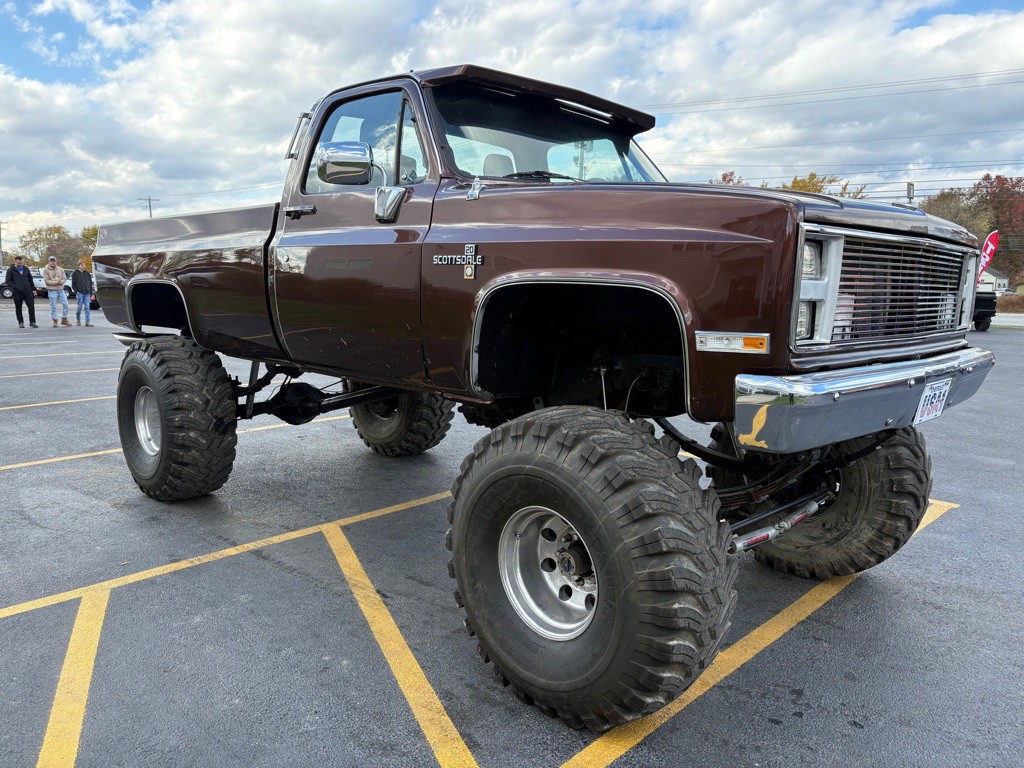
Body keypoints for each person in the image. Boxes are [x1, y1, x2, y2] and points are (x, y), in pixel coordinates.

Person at [4, 256, 39, 328]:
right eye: (19, 263)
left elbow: (30, 280)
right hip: (17, 292)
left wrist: (33, 289)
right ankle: (20, 322)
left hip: (28, 291)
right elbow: (8, 281)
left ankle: (32, 322)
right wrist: (15, 286)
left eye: (21, 263)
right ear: (15, 262)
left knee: (31, 306)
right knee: (18, 307)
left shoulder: (26, 269)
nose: (20, 264)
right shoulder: (11, 270)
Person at [43, 256, 71, 327]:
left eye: (54, 261)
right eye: (51, 261)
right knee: (53, 306)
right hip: (52, 290)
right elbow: (46, 281)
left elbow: (64, 278)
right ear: (49, 261)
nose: (52, 262)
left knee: (66, 304)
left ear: (56, 261)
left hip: (61, 289)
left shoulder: (61, 269)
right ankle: (55, 320)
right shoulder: (46, 270)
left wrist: (61, 281)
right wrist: (55, 282)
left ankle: (64, 319)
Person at [71, 260, 94, 327]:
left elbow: (90, 284)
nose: (83, 266)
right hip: (80, 293)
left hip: (87, 293)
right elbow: (73, 284)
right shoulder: (75, 273)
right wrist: (76, 292)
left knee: (87, 307)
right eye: (82, 265)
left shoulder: (87, 273)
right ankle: (78, 320)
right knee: (79, 308)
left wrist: (91, 293)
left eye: (84, 265)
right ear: (79, 266)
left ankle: (87, 322)